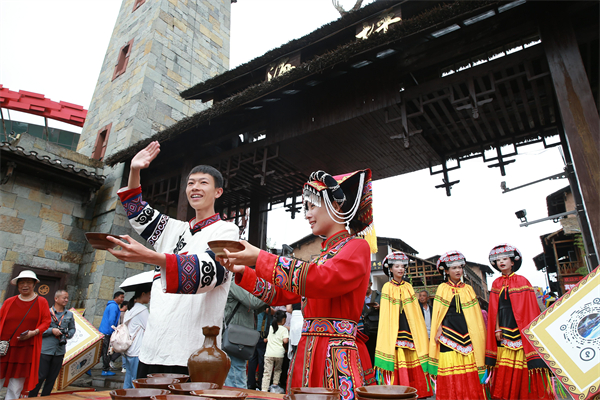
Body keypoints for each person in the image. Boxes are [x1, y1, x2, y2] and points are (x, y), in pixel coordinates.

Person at [218, 169, 377, 394]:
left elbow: (322, 279)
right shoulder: (321, 257)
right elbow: (280, 293)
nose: (307, 214)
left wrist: (260, 257)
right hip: (308, 349)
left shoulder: (357, 247)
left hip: (335, 352)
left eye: (312, 206)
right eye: (306, 208)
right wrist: (244, 270)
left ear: (336, 205)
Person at [106, 141, 239, 377]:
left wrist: (153, 257)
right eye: (190, 183)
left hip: (195, 352)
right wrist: (135, 170)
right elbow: (137, 210)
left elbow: (211, 273)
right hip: (153, 347)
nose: (195, 187)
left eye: (203, 182)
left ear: (218, 192)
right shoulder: (172, 229)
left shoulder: (227, 230)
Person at [485, 244, 552, 400]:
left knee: (524, 363)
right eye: (498, 260)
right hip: (504, 328)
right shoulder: (496, 283)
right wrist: (497, 329)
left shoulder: (523, 280)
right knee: (504, 365)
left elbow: (531, 308)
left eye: (505, 259)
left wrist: (528, 328)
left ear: (513, 262)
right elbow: (494, 309)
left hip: (522, 329)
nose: (501, 262)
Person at [427, 251, 486, 400]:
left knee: (471, 365)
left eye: (460, 267)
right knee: (449, 366)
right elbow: (438, 313)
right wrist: (438, 329)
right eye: (454, 268)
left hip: (468, 332)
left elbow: (475, 315)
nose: (458, 270)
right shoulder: (442, 288)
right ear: (446, 271)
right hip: (448, 333)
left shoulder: (468, 289)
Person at [374, 252, 432, 398]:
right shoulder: (387, 287)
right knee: (397, 354)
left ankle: (418, 390)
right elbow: (386, 312)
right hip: (394, 328)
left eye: (402, 266)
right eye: (397, 266)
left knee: (413, 354)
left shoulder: (409, 287)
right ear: (390, 269)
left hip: (409, 328)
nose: (400, 269)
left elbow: (415, 312)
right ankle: (397, 390)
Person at [0, 270, 51, 400]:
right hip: (4, 348)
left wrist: (34, 332)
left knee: (15, 385)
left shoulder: (41, 302)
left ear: (34, 284)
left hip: (25, 348)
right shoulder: (9, 301)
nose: (25, 285)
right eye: (21, 282)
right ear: (17, 285)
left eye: (28, 282)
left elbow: (46, 322)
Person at [29, 290, 76, 397]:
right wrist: (52, 331)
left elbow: (72, 329)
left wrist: (68, 334)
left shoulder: (69, 314)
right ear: (56, 299)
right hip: (45, 349)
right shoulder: (46, 312)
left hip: (59, 350)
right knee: (40, 376)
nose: (66, 300)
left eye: (67, 298)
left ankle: (45, 397)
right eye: (64, 298)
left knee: (52, 377)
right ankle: (32, 397)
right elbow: (38, 329)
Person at [223, 280, 267, 389]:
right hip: (235, 338)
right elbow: (253, 302)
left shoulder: (236, 282)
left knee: (236, 373)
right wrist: (270, 291)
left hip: (239, 337)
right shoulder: (234, 283)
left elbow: (255, 307)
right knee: (236, 377)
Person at [122, 285, 151, 389]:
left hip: (129, 349)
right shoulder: (142, 310)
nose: (150, 297)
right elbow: (149, 327)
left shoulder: (130, 309)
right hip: (137, 350)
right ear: (143, 294)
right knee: (136, 381)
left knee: (128, 379)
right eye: (149, 294)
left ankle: (124, 395)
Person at [98, 291, 125, 376]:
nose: (122, 299)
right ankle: (105, 370)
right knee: (107, 352)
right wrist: (113, 331)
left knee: (102, 351)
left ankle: (88, 367)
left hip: (104, 331)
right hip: (107, 332)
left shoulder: (111, 305)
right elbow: (112, 320)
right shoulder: (114, 306)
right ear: (116, 297)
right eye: (121, 297)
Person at [262, 311, 289, 392]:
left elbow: (265, 340)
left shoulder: (270, 327)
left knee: (267, 372)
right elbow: (285, 341)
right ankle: (274, 387)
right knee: (277, 370)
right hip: (279, 354)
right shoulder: (284, 329)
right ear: (283, 320)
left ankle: (264, 388)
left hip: (269, 353)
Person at [248, 307, 273, 390]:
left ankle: (251, 383)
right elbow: (267, 309)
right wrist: (277, 311)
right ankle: (262, 383)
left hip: (254, 329)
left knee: (253, 358)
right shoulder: (265, 301)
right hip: (263, 331)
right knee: (262, 359)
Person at [362, 277, 380, 364]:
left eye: (366, 284)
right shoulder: (360, 296)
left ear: (370, 284)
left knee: (376, 352)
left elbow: (387, 309)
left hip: (376, 328)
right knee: (366, 353)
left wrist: (380, 307)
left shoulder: (379, 295)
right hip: (364, 329)